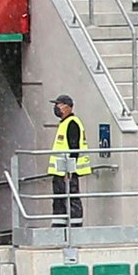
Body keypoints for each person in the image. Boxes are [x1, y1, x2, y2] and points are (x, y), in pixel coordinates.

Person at [44, 95, 87, 227]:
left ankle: (75, 230)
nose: (56, 107)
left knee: (71, 200)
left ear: (68, 107)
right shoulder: (64, 123)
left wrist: (69, 170)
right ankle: (58, 230)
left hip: (67, 172)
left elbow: (74, 148)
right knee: (59, 201)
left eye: (59, 104)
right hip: (60, 172)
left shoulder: (72, 123)